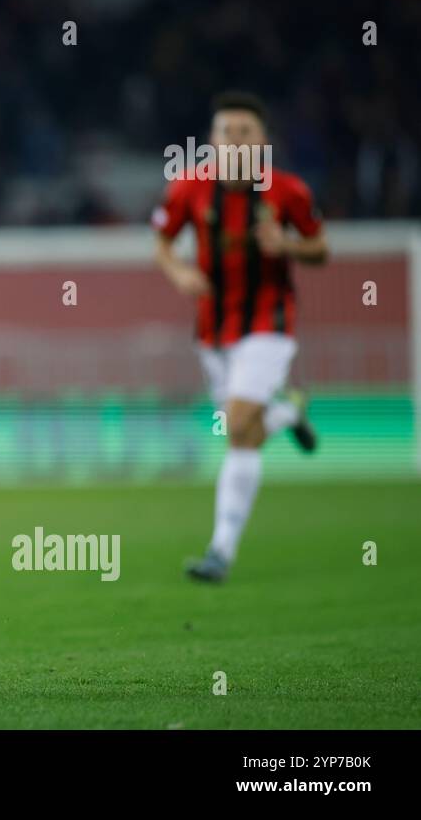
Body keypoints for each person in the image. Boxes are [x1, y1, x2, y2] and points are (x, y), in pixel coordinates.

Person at [153, 91, 327, 582]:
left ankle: (220, 552)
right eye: (225, 132)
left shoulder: (287, 192)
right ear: (211, 140)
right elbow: (162, 242)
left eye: (244, 132)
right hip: (212, 329)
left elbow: (321, 248)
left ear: (262, 141)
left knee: (238, 424)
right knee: (243, 431)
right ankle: (289, 410)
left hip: (269, 323)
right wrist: (179, 274)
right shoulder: (189, 189)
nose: (234, 140)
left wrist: (287, 243)